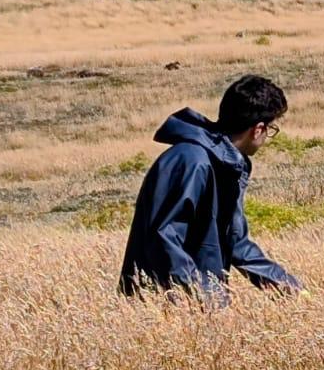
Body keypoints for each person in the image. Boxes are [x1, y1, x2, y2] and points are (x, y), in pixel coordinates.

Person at [119, 74, 302, 300]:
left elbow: (237, 244)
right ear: (258, 129)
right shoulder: (192, 161)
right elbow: (164, 238)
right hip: (163, 309)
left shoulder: (225, 166)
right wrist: (205, 298)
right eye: (270, 130)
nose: (267, 137)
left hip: (195, 307)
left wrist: (288, 287)